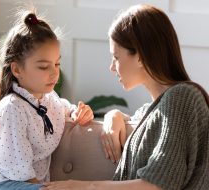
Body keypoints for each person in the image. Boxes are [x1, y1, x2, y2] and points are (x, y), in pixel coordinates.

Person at [42, 4, 209, 190]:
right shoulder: (155, 109)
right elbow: (142, 122)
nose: (112, 67)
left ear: (139, 56)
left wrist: (80, 186)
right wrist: (114, 114)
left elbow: (157, 185)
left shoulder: (183, 97)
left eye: (116, 57)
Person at [0, 9, 94, 190]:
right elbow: (21, 172)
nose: (54, 72)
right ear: (17, 70)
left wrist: (77, 112)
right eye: (43, 67)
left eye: (57, 64)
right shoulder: (12, 108)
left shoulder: (49, 99)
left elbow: (63, 107)